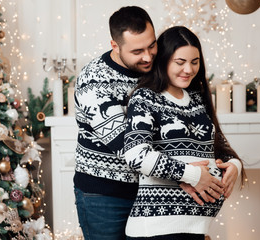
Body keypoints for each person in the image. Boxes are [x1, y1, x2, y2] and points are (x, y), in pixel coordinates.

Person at [124, 26, 245, 240]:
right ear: (163, 60)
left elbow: (219, 147)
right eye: (180, 62)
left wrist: (235, 165)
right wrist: (193, 175)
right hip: (157, 230)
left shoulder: (198, 99)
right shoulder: (145, 98)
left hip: (195, 229)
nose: (188, 69)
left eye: (195, 62)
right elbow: (136, 155)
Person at [73, 6, 158, 240]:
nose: (148, 56)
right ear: (115, 46)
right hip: (104, 196)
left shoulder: (155, 69)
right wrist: (188, 175)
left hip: (152, 190)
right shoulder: (94, 80)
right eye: (138, 50)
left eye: (152, 45)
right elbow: (127, 147)